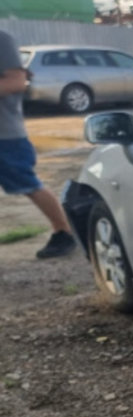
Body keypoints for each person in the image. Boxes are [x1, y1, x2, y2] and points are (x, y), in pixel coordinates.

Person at [0, 30, 76, 259]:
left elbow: (16, 81)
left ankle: (64, 232)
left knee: (27, 183)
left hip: (5, 133)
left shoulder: (2, 40)